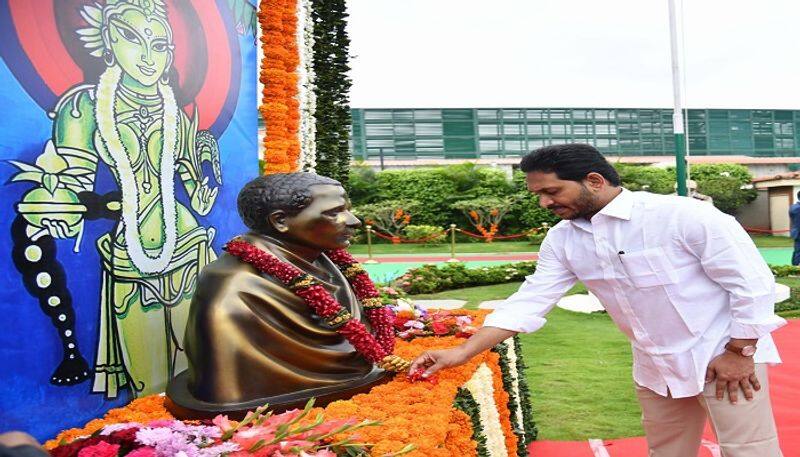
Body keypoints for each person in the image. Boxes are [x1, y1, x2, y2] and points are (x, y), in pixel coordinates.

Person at [410, 144, 786, 457]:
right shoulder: (563, 240)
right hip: (655, 367)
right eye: (537, 194)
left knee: (749, 450)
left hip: (721, 358)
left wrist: (740, 352)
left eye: (552, 192)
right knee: (667, 452)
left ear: (594, 180)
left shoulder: (681, 216)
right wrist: (461, 352)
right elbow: (530, 301)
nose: (543, 203)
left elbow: (752, 284)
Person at [166, 173, 388, 419]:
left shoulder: (324, 261)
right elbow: (227, 387)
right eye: (333, 212)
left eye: (347, 210)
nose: (353, 221)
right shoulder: (236, 290)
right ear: (281, 221)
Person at [789, 191, 800, 266]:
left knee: (797, 250)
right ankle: (795, 268)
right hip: (799, 232)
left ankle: (794, 266)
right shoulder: (798, 208)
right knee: (798, 251)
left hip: (796, 232)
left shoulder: (793, 206)